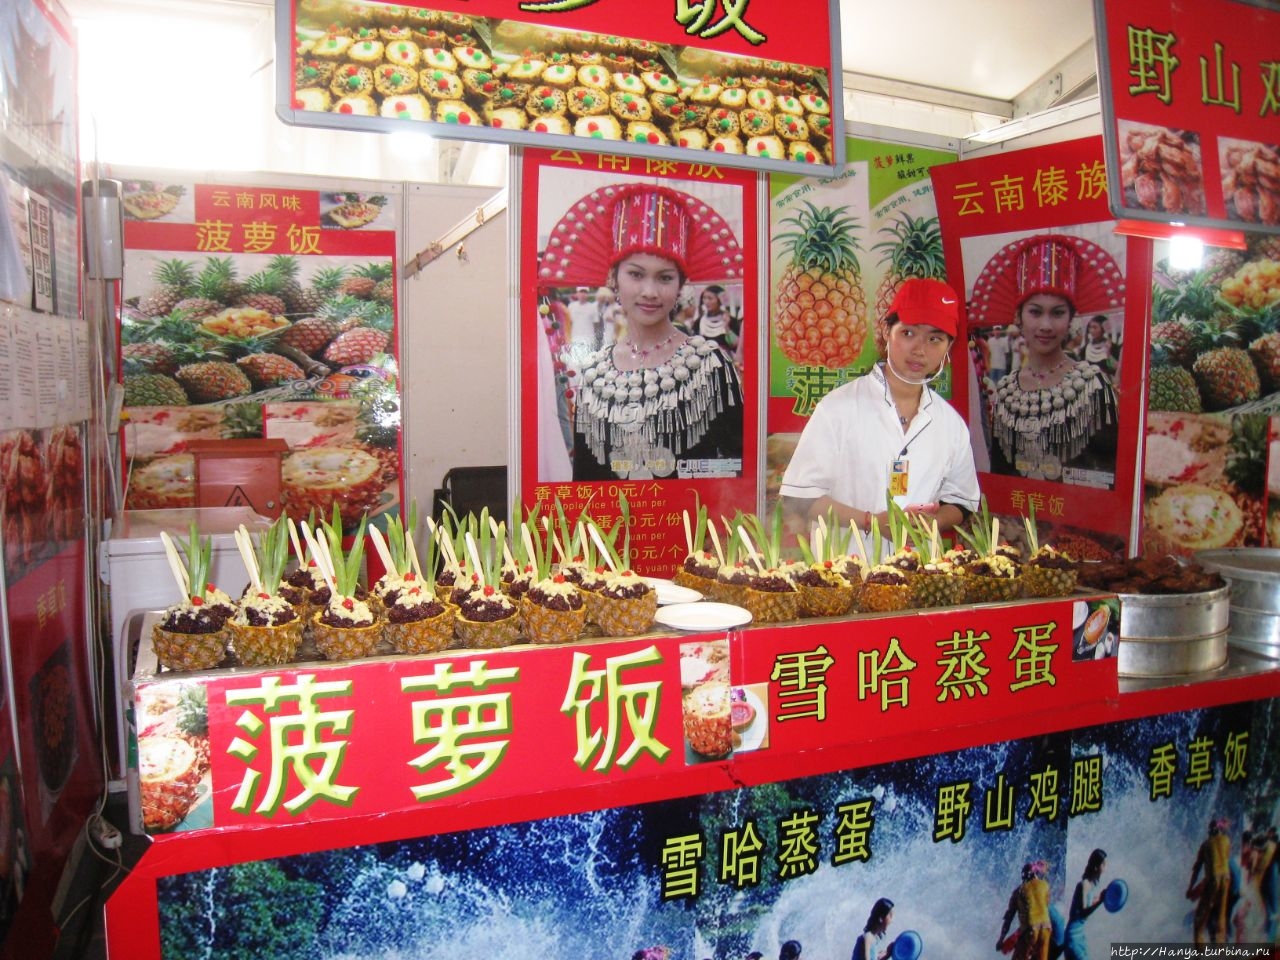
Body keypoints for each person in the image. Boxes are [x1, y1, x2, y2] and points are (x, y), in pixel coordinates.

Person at [538, 183, 746, 481]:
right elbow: (586, 482)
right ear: (614, 279)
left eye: (665, 278)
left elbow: (736, 470)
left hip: (695, 513)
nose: (650, 291)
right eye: (636, 274)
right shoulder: (595, 374)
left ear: (680, 286)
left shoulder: (710, 365)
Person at [780, 277, 981, 538]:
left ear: (948, 347)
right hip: (846, 560)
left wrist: (933, 523)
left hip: (917, 562)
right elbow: (800, 497)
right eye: (908, 333)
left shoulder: (950, 424)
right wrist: (870, 521)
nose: (919, 350)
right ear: (887, 332)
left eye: (935, 339)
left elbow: (962, 501)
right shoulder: (838, 408)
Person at [969, 234, 1124, 486]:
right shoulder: (1006, 391)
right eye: (1035, 312)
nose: (1046, 325)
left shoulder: (1093, 385)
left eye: (1058, 313)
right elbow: (1000, 475)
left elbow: (1109, 474)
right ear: (1019, 317)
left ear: (1071, 319)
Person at [1188, 817, 1232, 945]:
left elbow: (1196, 869)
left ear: (1209, 831)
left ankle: (1200, 952)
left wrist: (1190, 888)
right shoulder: (1226, 841)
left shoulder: (1205, 845)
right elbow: (1225, 860)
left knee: (1198, 921)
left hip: (1213, 879)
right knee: (1221, 918)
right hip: (1226, 879)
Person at [998, 860, 1052, 960]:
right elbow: (1045, 906)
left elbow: (1009, 918)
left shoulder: (1018, 891)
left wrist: (1001, 939)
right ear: (1035, 874)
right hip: (1046, 928)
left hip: (1030, 930)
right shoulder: (1045, 886)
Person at [1061, 848, 1106, 960]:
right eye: (1103, 864)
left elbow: (1087, 904)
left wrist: (1101, 897)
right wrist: (1100, 901)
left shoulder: (1090, 885)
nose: (1105, 868)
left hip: (1080, 936)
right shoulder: (1083, 885)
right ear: (1096, 867)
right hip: (1073, 936)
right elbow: (1083, 912)